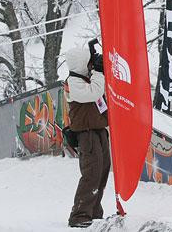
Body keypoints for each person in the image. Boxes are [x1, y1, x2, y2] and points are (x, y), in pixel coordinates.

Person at [64, 45, 110, 228]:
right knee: (91, 173)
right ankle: (79, 214)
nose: (92, 63)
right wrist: (99, 72)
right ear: (83, 62)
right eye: (90, 60)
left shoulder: (86, 78)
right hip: (87, 133)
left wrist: (99, 71)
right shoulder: (73, 82)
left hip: (98, 129)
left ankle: (94, 211)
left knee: (102, 171)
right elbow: (94, 92)